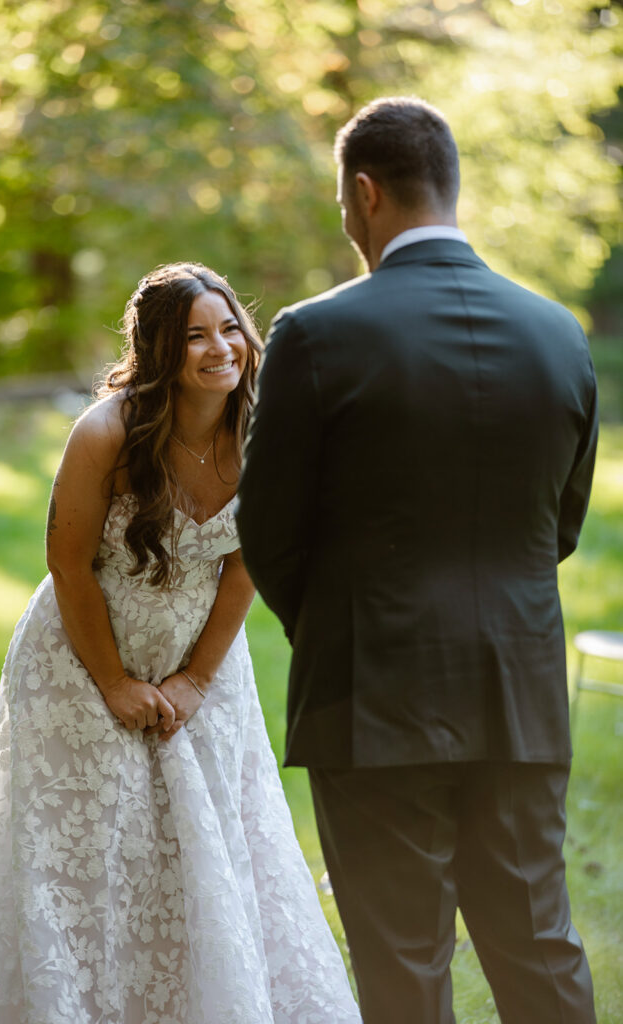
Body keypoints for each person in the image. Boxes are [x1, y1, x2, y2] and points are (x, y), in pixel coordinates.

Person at [236, 97, 598, 1023]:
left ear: (364, 194)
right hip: (518, 690)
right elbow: (558, 528)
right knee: (538, 946)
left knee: (401, 964)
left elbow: (267, 529)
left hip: (370, 698)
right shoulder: (559, 333)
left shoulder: (316, 334)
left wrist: (343, 620)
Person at [0, 263, 361, 1024]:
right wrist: (113, 683)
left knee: (202, 848)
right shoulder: (106, 432)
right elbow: (66, 563)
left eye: (229, 326)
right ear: (158, 349)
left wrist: (198, 678)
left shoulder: (266, 430)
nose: (219, 348)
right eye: (194, 335)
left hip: (204, 661)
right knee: (92, 853)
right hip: (78, 663)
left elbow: (247, 563)